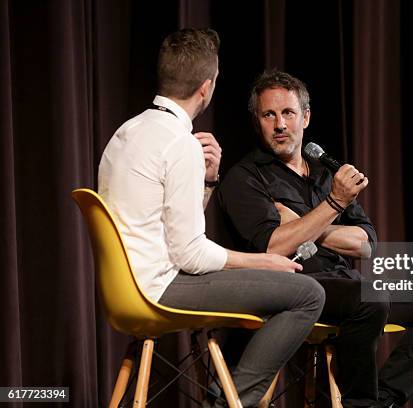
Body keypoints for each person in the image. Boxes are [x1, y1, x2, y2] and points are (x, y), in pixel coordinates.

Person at [97, 29, 325, 408]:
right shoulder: (178, 142)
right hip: (159, 287)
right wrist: (264, 261)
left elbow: (170, 229)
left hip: (127, 286)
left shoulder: (129, 131)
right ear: (207, 87)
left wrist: (206, 183)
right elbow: (191, 256)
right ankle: (228, 403)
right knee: (307, 294)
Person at [217, 69, 413, 408]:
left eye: (288, 113)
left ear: (305, 117)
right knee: (370, 299)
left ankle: (384, 399)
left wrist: (310, 226)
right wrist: (333, 205)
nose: (280, 125)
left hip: (346, 282)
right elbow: (274, 244)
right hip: (295, 288)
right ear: (256, 121)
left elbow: (366, 244)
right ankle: (360, 403)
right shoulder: (245, 177)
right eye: (269, 115)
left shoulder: (325, 174)